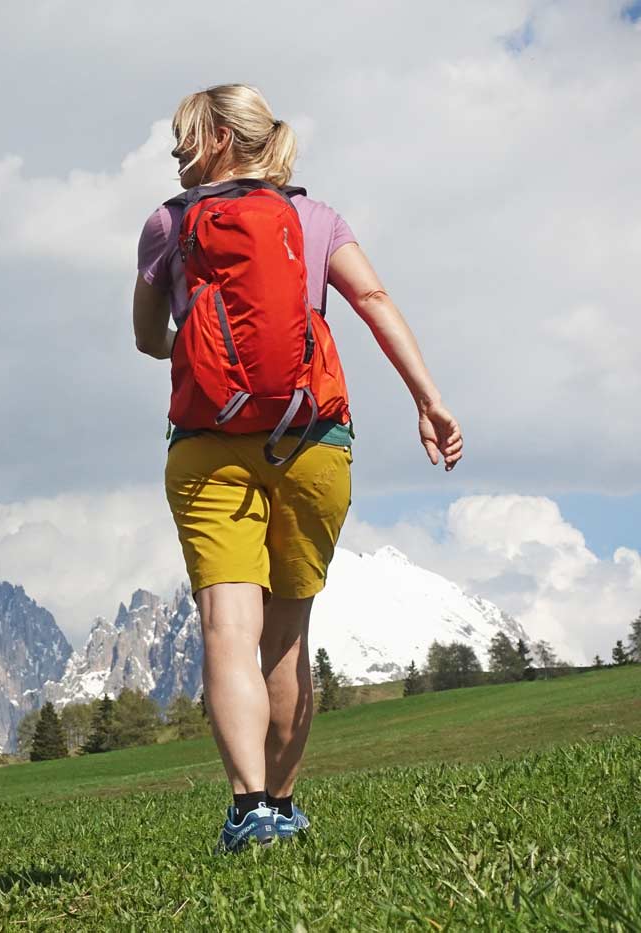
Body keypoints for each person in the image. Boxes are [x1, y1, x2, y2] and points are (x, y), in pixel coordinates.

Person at [132, 84, 463, 852]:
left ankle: (249, 810)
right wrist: (429, 398)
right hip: (313, 441)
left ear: (218, 138)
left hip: (207, 444)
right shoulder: (316, 219)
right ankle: (282, 803)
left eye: (186, 136)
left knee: (227, 626)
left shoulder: (167, 224)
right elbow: (372, 297)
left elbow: (150, 342)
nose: (177, 151)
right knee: (286, 634)